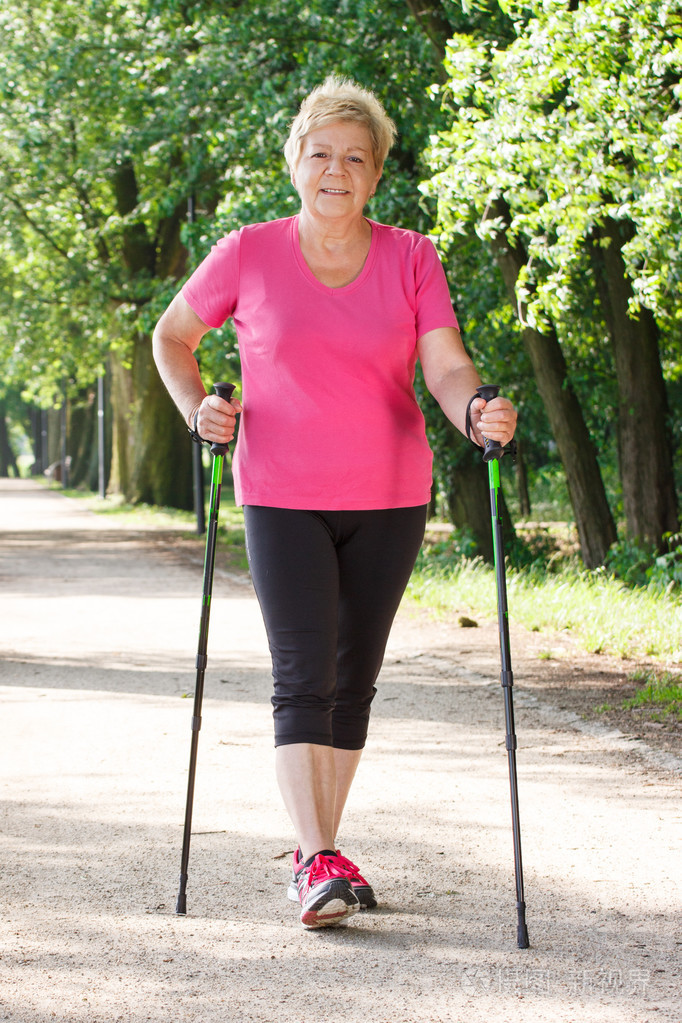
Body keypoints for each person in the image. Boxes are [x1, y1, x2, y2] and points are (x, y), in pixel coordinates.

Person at [152, 76, 517, 930]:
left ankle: (326, 848)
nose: (337, 171)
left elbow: (446, 364)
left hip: (390, 492)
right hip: (280, 493)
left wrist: (473, 410)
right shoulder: (247, 251)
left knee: (353, 681)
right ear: (295, 163)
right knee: (301, 675)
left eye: (356, 158)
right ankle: (314, 856)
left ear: (377, 173)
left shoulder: (412, 256)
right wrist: (199, 412)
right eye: (322, 154)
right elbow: (172, 337)